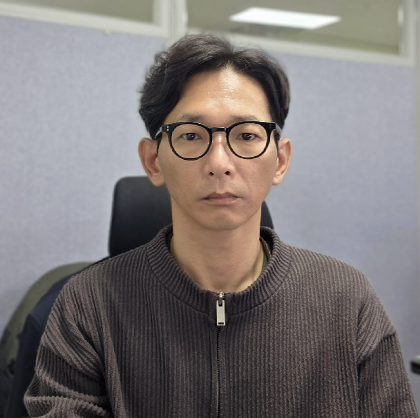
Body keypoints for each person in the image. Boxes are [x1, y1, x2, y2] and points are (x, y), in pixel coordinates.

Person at [25, 34, 417, 417]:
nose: (219, 162)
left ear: (280, 160)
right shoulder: (89, 306)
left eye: (246, 135)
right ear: (153, 161)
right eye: (191, 135)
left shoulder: (347, 302)